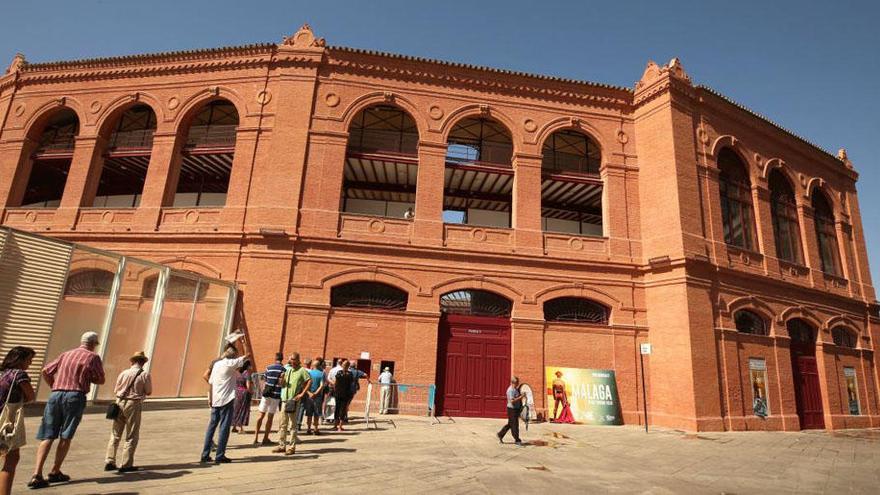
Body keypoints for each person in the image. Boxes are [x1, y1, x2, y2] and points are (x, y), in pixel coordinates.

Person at [29, 331, 105, 489]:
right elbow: (101, 379)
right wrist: (88, 377)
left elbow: (46, 371)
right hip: (75, 395)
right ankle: (55, 470)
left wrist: (54, 385)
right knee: (66, 434)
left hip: (56, 394)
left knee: (48, 435)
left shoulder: (66, 354)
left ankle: (37, 473)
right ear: (93, 344)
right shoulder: (92, 357)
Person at [200, 342, 250, 464]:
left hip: (216, 399)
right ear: (233, 356)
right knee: (224, 428)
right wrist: (244, 343)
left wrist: (211, 398)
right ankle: (220, 455)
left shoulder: (216, 364)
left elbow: (210, 382)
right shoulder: (230, 363)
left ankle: (205, 454)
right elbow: (247, 355)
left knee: (211, 427)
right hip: (227, 399)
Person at [104, 351, 152, 473]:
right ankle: (126, 464)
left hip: (119, 402)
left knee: (115, 433)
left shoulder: (123, 373)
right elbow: (148, 391)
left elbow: (116, 389)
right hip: (133, 404)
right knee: (131, 434)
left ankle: (109, 460)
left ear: (132, 361)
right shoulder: (144, 374)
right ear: (143, 362)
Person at [0, 347, 36, 495]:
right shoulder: (19, 375)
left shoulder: (2, 373)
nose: (30, 363)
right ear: (20, 360)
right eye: (29, 360)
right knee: (11, 459)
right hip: (6, 420)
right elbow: (30, 396)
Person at [273, 353, 310, 456]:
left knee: (292, 425)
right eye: (290, 359)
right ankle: (281, 445)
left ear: (298, 360)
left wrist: (302, 394)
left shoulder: (302, 371)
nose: (292, 361)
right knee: (282, 424)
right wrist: (281, 380)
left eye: (293, 359)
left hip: (293, 400)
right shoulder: (287, 369)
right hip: (284, 399)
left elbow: (309, 381)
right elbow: (282, 384)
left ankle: (292, 447)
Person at [253, 353, 285, 446]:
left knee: (261, 415)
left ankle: (255, 438)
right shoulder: (283, 370)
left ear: (275, 358)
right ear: (282, 359)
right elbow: (282, 383)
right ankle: (265, 438)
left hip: (266, 394)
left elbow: (265, 380)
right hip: (275, 395)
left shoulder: (268, 367)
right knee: (270, 417)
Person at [496, 376, 524, 447]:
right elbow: (512, 401)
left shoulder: (515, 389)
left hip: (516, 409)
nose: (518, 384)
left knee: (510, 424)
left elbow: (517, 396)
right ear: (513, 383)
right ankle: (517, 440)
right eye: (517, 383)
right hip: (512, 409)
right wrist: (520, 397)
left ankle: (500, 434)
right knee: (515, 425)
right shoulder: (510, 390)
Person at [304, 359, 325, 435]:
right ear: (319, 366)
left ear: (313, 366)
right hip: (318, 397)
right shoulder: (322, 374)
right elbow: (322, 385)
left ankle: (308, 429)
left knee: (309, 413)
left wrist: (309, 393)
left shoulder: (309, 373)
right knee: (316, 413)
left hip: (309, 396)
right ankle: (315, 429)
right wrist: (315, 393)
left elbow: (304, 385)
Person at [332, 360, 354, 431]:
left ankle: (336, 426)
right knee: (342, 409)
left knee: (338, 409)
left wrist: (334, 390)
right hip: (345, 394)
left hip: (339, 393)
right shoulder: (350, 374)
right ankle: (339, 426)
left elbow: (335, 382)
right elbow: (351, 384)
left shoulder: (339, 373)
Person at [231, 361, 253, 434]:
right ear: (247, 366)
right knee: (243, 410)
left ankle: (234, 427)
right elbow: (248, 386)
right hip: (244, 393)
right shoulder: (247, 373)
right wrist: (251, 392)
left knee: (236, 409)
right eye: (250, 365)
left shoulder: (237, 373)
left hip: (236, 392)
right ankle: (241, 428)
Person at [294, 358, 312, 432]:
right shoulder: (310, 371)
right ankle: (298, 424)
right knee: (302, 407)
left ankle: (294, 423)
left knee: (296, 407)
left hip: (298, 390)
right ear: (310, 364)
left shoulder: (300, 370)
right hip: (305, 391)